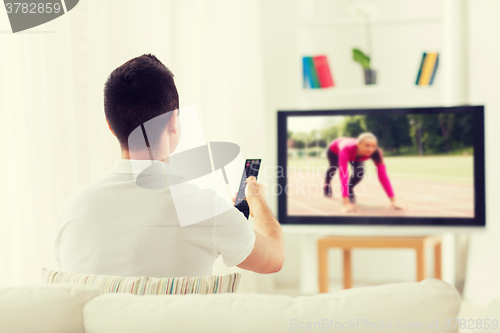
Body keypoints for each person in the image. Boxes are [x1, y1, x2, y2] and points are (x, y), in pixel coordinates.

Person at [54, 54, 284, 277]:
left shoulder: (71, 211)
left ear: (110, 126)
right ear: (173, 121)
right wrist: (256, 200)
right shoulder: (206, 209)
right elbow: (274, 258)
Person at [324, 133, 401, 213]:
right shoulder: (346, 149)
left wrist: (393, 201)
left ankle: (349, 188)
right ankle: (327, 184)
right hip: (334, 151)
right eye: (367, 146)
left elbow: (383, 175)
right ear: (358, 144)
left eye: (373, 146)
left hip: (357, 155)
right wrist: (346, 204)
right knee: (333, 167)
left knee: (360, 172)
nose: (370, 149)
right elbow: (344, 175)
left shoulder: (376, 153)